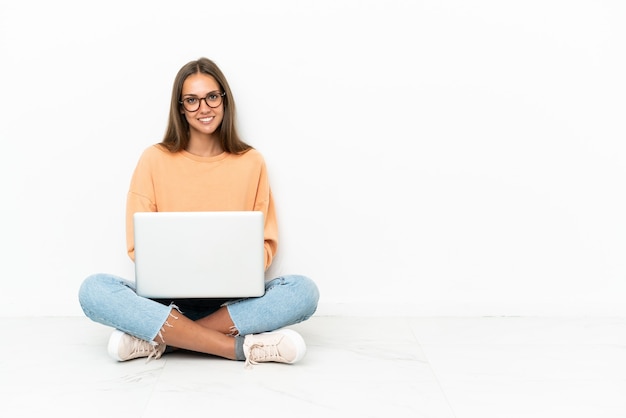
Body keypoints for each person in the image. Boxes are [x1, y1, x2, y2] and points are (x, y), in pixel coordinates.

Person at [78, 57, 319, 367]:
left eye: (212, 97)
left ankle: (160, 340)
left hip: (231, 304)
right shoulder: (154, 159)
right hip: (165, 303)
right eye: (191, 100)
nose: (203, 108)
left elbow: (265, 245)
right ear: (180, 107)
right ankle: (238, 348)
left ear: (224, 100)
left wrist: (229, 269)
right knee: (93, 290)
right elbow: (138, 246)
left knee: (303, 292)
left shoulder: (251, 162)